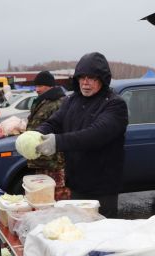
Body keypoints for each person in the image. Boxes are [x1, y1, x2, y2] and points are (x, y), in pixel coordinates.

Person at [35, 52, 128, 218]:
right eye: (82, 77)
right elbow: (53, 122)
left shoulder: (114, 104)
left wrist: (57, 142)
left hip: (102, 189)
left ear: (102, 79)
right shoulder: (72, 101)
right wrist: (37, 134)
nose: (85, 82)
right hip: (76, 184)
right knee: (79, 233)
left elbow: (94, 135)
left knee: (101, 237)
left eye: (91, 78)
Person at [26, 71, 69, 200]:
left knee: (56, 197)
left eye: (40, 86)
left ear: (49, 86)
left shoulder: (59, 102)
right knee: (42, 197)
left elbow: (61, 128)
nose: (36, 89)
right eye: (36, 86)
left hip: (54, 161)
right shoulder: (44, 101)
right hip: (43, 160)